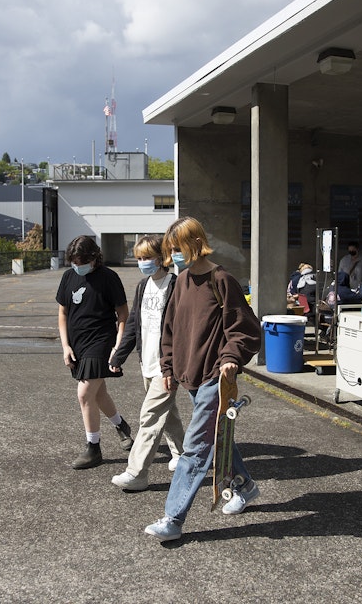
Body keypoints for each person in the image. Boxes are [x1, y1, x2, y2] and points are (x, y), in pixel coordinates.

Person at [144, 217, 262, 542]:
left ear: (195, 244)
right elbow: (170, 330)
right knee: (218, 439)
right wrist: (168, 369)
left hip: (215, 378)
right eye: (171, 251)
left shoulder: (221, 279)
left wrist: (230, 359)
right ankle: (247, 487)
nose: (173, 257)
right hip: (191, 378)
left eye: (177, 249)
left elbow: (246, 329)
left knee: (195, 448)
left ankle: (172, 518)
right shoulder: (181, 281)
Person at [108, 235, 185, 490]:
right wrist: (120, 355)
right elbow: (133, 325)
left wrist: (172, 366)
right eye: (139, 258)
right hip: (147, 363)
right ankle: (184, 455)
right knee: (167, 413)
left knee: (150, 416)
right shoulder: (143, 286)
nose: (142, 263)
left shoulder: (175, 285)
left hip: (167, 365)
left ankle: (137, 473)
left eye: (147, 257)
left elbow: (181, 329)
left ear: (162, 257)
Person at [56, 235, 134, 470]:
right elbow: (62, 314)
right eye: (73, 261)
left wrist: (117, 347)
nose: (77, 266)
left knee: (84, 394)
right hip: (77, 343)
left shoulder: (109, 278)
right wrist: (65, 346)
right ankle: (121, 426)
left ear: (93, 258)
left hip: (101, 342)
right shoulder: (68, 276)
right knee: (98, 394)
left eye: (80, 261)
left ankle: (93, 448)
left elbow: (123, 315)